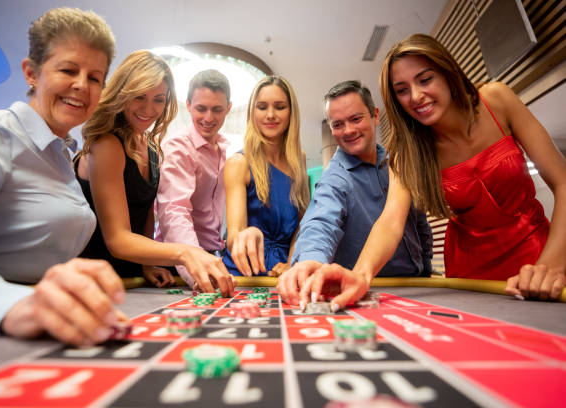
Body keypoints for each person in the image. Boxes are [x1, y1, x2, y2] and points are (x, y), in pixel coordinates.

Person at [298, 33, 566, 310]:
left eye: (425, 80)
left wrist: (551, 264)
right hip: (468, 269)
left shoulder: (497, 99)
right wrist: (361, 275)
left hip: (540, 252)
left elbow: (563, 182)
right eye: (402, 90)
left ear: (447, 72)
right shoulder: (406, 152)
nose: (415, 96)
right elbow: (390, 222)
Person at [0, 8, 124, 346]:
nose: (81, 85)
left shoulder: (62, 151)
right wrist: (19, 305)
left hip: (42, 334)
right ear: (31, 73)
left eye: (94, 77)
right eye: (68, 69)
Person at [74, 52, 234, 296]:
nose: (149, 109)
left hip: (131, 276)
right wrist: (186, 253)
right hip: (94, 278)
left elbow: (146, 211)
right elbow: (117, 240)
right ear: (123, 92)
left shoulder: (149, 145)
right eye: (140, 97)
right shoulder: (106, 144)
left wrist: (145, 264)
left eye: (158, 99)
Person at [277, 81, 433, 306]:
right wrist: (310, 260)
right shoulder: (335, 178)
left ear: (375, 115)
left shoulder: (399, 161)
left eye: (356, 119)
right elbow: (320, 222)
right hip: (365, 290)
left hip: (419, 285)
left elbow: (419, 224)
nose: (348, 130)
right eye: (338, 124)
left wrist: (427, 267)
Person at [222, 76, 310, 277]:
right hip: (245, 271)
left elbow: (303, 224)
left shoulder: (299, 159)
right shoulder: (238, 163)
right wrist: (248, 235)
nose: (270, 115)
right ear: (252, 112)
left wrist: (292, 262)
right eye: (262, 107)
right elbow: (234, 234)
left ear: (291, 113)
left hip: (287, 271)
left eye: (279, 107)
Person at [156, 69, 235, 291]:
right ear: (189, 105)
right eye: (201, 108)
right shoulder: (178, 147)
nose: (208, 118)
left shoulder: (227, 149)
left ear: (228, 108)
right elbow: (174, 212)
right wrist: (196, 269)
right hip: (180, 262)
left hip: (213, 256)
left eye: (217, 109)